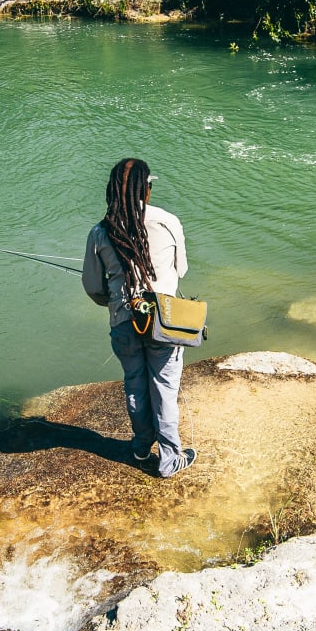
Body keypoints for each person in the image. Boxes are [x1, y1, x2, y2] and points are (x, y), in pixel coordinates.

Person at [82, 158, 197, 477]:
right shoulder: (168, 221)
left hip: (124, 319)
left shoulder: (100, 231)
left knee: (135, 383)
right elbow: (181, 270)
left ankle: (141, 446)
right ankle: (170, 457)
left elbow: (93, 287)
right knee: (164, 386)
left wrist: (117, 300)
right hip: (164, 319)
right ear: (145, 190)